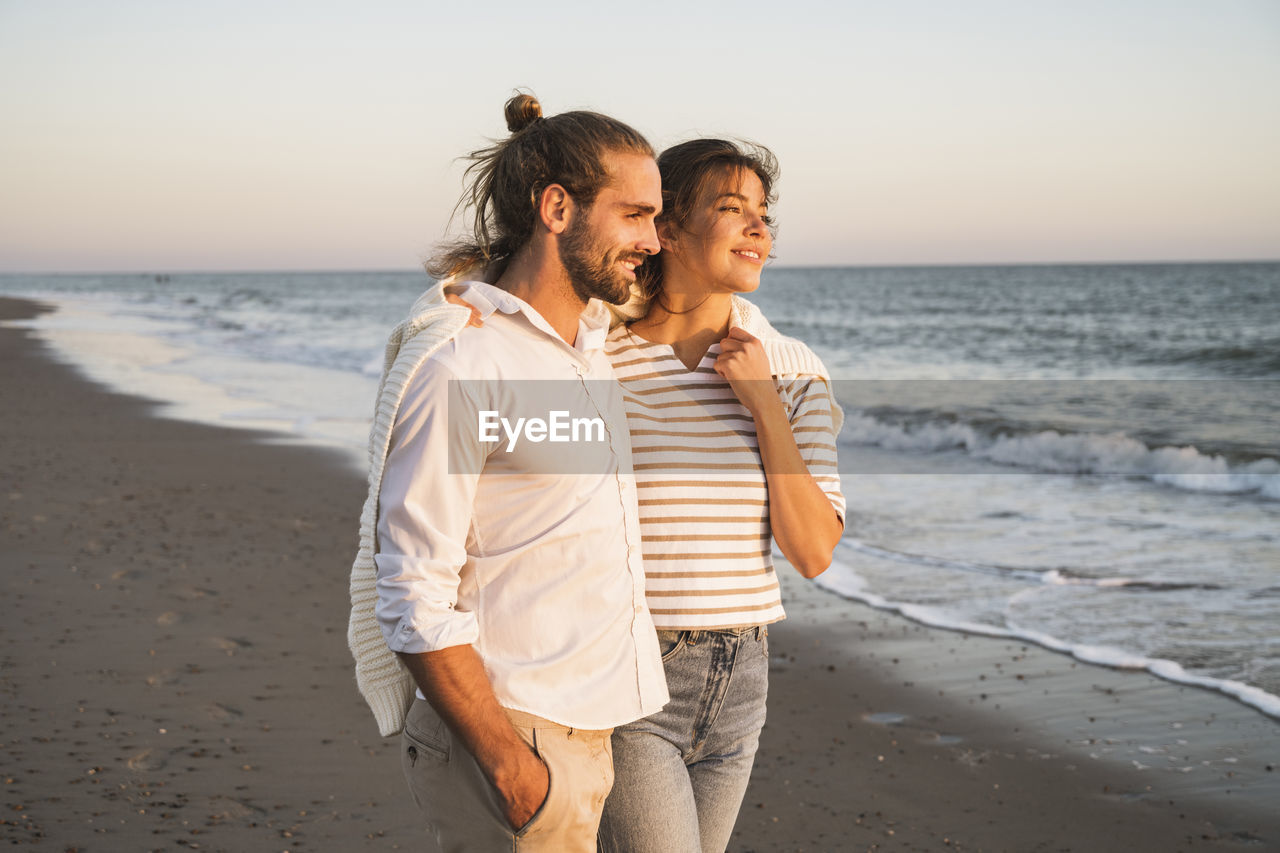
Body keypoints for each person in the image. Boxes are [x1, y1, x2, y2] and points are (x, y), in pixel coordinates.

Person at [346, 93, 669, 852]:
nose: (654, 241)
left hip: (588, 735)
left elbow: (692, 295)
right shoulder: (464, 362)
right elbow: (412, 590)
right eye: (637, 216)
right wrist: (511, 766)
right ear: (556, 207)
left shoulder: (588, 344)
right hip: (513, 739)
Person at [597, 139, 845, 853]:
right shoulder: (597, 360)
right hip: (636, 672)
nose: (758, 230)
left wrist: (764, 404)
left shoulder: (793, 368)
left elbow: (813, 550)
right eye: (732, 209)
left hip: (743, 678)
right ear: (665, 228)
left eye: (764, 214)